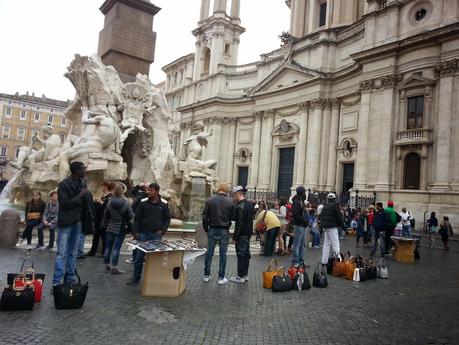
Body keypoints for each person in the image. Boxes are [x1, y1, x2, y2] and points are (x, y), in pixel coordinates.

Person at [52, 161, 89, 285]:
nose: (85, 171)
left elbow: (84, 204)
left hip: (77, 221)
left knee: (73, 252)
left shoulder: (83, 183)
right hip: (66, 222)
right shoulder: (63, 184)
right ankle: (57, 282)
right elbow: (65, 204)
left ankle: (70, 279)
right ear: (77, 171)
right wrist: (80, 195)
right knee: (62, 252)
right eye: (83, 169)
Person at [127, 183, 171, 285]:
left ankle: (153, 278)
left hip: (156, 234)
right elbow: (137, 219)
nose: (148, 192)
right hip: (142, 234)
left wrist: (163, 230)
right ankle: (136, 277)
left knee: (155, 258)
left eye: (151, 190)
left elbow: (167, 219)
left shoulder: (164, 204)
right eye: (148, 190)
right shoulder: (143, 202)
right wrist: (135, 232)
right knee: (139, 257)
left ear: (157, 191)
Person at [202, 183, 234, 285]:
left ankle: (206, 275)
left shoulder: (210, 200)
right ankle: (221, 277)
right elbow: (232, 217)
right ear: (226, 190)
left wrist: (206, 228)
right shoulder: (230, 202)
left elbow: (204, 217)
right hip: (224, 230)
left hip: (212, 229)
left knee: (209, 253)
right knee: (223, 254)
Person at [103, 184, 133, 274]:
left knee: (108, 247)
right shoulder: (126, 202)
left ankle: (107, 266)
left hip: (110, 226)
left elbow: (106, 215)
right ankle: (114, 267)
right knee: (116, 248)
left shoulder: (109, 202)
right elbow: (130, 216)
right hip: (120, 227)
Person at [229, 186, 254, 284]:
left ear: (237, 194)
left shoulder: (240, 206)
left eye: (234, 195)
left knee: (241, 255)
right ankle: (245, 275)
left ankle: (240, 276)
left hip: (242, 235)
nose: (233, 197)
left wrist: (235, 237)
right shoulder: (249, 204)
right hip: (247, 234)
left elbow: (239, 224)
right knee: (246, 255)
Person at [87, 181, 114, 257]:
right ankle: (93, 251)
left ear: (105, 187)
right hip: (99, 218)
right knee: (96, 236)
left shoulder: (110, 196)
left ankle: (104, 253)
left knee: (104, 236)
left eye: (102, 186)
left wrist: (101, 202)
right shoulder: (104, 195)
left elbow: (109, 207)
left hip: (104, 220)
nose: (101, 188)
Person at [126, 183, 148, 264]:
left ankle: (141, 258)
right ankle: (134, 257)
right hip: (136, 221)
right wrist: (139, 185)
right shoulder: (140, 194)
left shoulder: (147, 196)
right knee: (135, 240)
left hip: (142, 222)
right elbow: (133, 191)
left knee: (142, 241)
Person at [320, 193, 344, 266]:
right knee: (335, 243)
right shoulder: (335, 206)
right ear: (334, 198)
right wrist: (343, 226)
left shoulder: (325, 206)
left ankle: (324, 261)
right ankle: (338, 260)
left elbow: (322, 216)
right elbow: (339, 217)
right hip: (332, 227)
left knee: (326, 244)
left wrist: (322, 227)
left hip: (326, 227)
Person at [291, 186, 308, 267]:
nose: (305, 193)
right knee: (297, 244)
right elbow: (295, 214)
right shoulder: (297, 202)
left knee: (302, 244)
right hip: (298, 225)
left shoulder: (301, 201)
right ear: (301, 192)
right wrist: (303, 220)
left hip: (302, 225)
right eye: (304, 192)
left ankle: (301, 261)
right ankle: (295, 261)